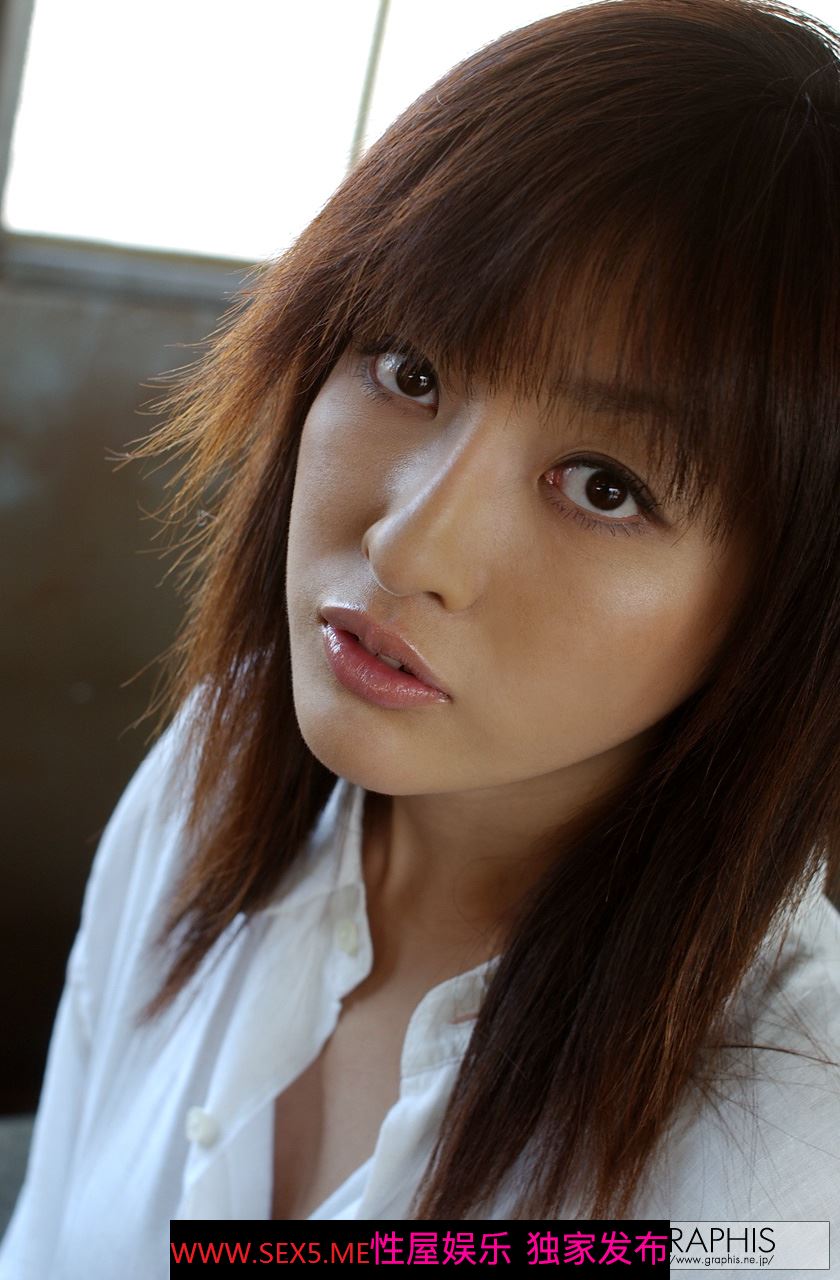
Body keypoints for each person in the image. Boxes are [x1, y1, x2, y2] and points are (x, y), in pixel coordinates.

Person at [2, 0, 839, 1274]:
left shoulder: (788, 1151)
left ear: (786, 605)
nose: (409, 546)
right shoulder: (211, 769)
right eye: (408, 369)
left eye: (604, 484)